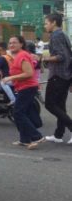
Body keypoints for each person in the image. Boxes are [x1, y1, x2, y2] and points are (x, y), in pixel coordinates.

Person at [2, 36, 44, 149]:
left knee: (18, 113)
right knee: (23, 113)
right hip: (22, 88)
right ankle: (24, 139)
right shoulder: (18, 56)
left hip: (28, 88)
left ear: (21, 44)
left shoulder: (22, 55)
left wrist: (11, 78)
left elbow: (29, 73)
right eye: (10, 43)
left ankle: (36, 136)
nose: (11, 45)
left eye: (14, 43)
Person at [42, 13, 72, 144]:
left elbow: (61, 56)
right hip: (65, 75)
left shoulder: (56, 35)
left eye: (46, 23)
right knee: (60, 106)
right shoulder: (63, 34)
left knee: (50, 104)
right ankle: (58, 135)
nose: (45, 25)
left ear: (54, 22)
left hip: (58, 75)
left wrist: (44, 58)